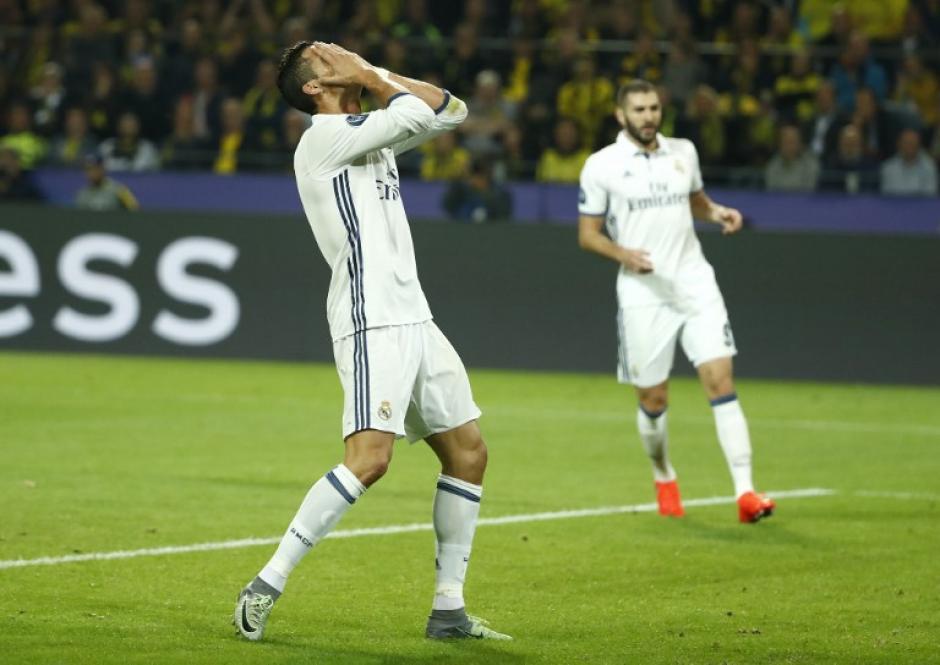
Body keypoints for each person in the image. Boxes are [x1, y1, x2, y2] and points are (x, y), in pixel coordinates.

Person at [232, 41, 511, 643]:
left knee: (468, 453)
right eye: (329, 53)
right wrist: (370, 75)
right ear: (314, 87)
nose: (345, 51)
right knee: (370, 460)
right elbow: (415, 113)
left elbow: (452, 110)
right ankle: (265, 585)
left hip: (415, 317)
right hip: (370, 318)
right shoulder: (323, 139)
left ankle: (448, 609)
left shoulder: (370, 130)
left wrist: (370, 72)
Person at [577, 79, 775, 524]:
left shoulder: (682, 152)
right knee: (653, 397)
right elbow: (587, 236)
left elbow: (696, 202)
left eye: (654, 108)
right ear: (620, 115)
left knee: (720, 381)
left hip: (694, 282)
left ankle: (746, 493)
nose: (649, 116)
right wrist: (623, 253)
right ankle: (663, 473)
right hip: (643, 292)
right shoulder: (601, 165)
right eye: (640, 109)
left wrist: (718, 212)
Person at [879, 128, 938, 196]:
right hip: (895, 206)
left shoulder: (929, 166)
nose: (910, 146)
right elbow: (888, 196)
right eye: (906, 143)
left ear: (919, 145)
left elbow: (930, 196)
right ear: (899, 144)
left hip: (921, 206)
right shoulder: (888, 168)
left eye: (913, 143)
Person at [75, 153, 139, 211]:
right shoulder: (82, 194)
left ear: (103, 169)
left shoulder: (119, 190)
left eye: (95, 168)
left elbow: (135, 210)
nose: (91, 173)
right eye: (88, 169)